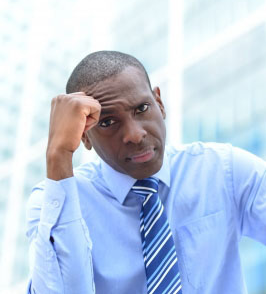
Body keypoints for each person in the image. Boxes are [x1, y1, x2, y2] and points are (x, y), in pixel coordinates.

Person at [26, 51, 266, 294]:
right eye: (108, 122)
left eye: (142, 108)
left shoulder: (223, 171)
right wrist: (58, 154)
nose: (135, 134)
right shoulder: (55, 200)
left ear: (159, 103)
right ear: (85, 136)